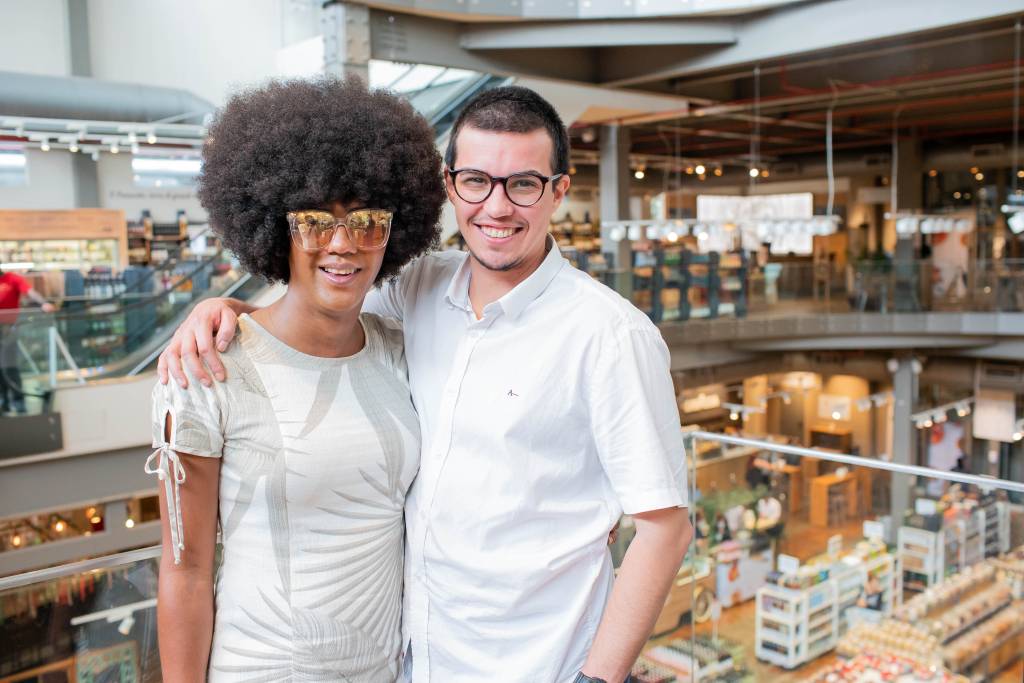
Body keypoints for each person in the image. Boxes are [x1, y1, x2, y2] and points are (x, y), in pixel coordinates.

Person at [160, 85, 693, 683]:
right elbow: (318, 299)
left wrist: (598, 679)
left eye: (523, 184)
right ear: (448, 185)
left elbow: (666, 527)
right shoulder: (415, 292)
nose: (497, 207)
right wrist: (223, 307)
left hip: (538, 665)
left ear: (558, 192)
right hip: (412, 663)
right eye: (476, 181)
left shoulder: (611, 336)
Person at [146, 77, 444, 682]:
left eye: (368, 220)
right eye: (314, 222)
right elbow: (185, 570)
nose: (343, 244)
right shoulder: (207, 372)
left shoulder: (399, 353)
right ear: (274, 227)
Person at [0, 268, 56, 414]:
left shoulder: (12, 279)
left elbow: (29, 291)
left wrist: (43, 303)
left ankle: (18, 402)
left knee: (9, 366)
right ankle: (4, 401)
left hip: (8, 329)